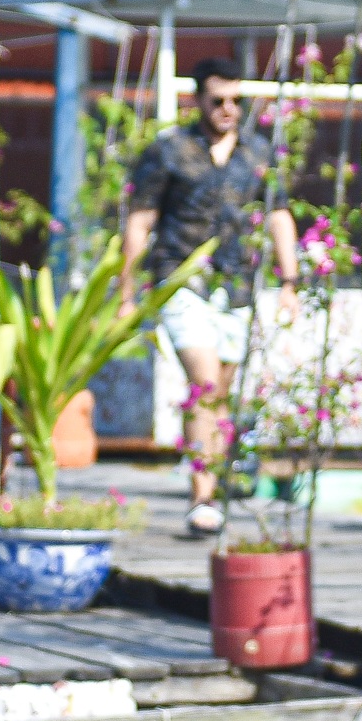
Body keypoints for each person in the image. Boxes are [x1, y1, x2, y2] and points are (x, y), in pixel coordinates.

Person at [121, 56, 300, 534]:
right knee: (203, 385)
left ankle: (212, 489)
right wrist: (126, 290)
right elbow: (141, 219)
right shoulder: (170, 151)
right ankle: (202, 496)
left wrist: (290, 281)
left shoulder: (258, 152)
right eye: (218, 100)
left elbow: (279, 215)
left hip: (236, 285)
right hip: (182, 279)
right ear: (198, 99)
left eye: (237, 101)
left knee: (221, 391)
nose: (228, 109)